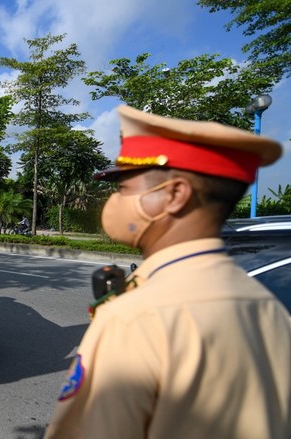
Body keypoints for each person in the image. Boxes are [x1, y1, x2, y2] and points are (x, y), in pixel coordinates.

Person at [44, 105, 291, 439]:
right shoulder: (270, 308)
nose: (114, 201)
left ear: (174, 195)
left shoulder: (134, 319)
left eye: (123, 189)